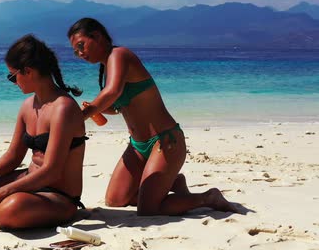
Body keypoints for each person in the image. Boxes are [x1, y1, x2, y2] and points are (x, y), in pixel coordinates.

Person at [67, 17, 238, 216]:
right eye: (75, 51)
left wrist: (82, 116)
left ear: (96, 36)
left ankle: (208, 197)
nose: (80, 54)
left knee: (148, 209)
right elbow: (117, 107)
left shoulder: (119, 55)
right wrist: (98, 109)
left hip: (165, 141)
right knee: (115, 200)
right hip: (138, 146)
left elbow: (112, 92)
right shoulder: (108, 67)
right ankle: (173, 182)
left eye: (81, 46)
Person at [0, 34, 87, 229]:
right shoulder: (28, 106)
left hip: (58, 195)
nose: (13, 82)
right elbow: (13, 156)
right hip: (28, 179)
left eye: (12, 76)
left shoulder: (64, 108)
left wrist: (1, 192)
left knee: (11, 209)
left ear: (27, 71)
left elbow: (52, 171)